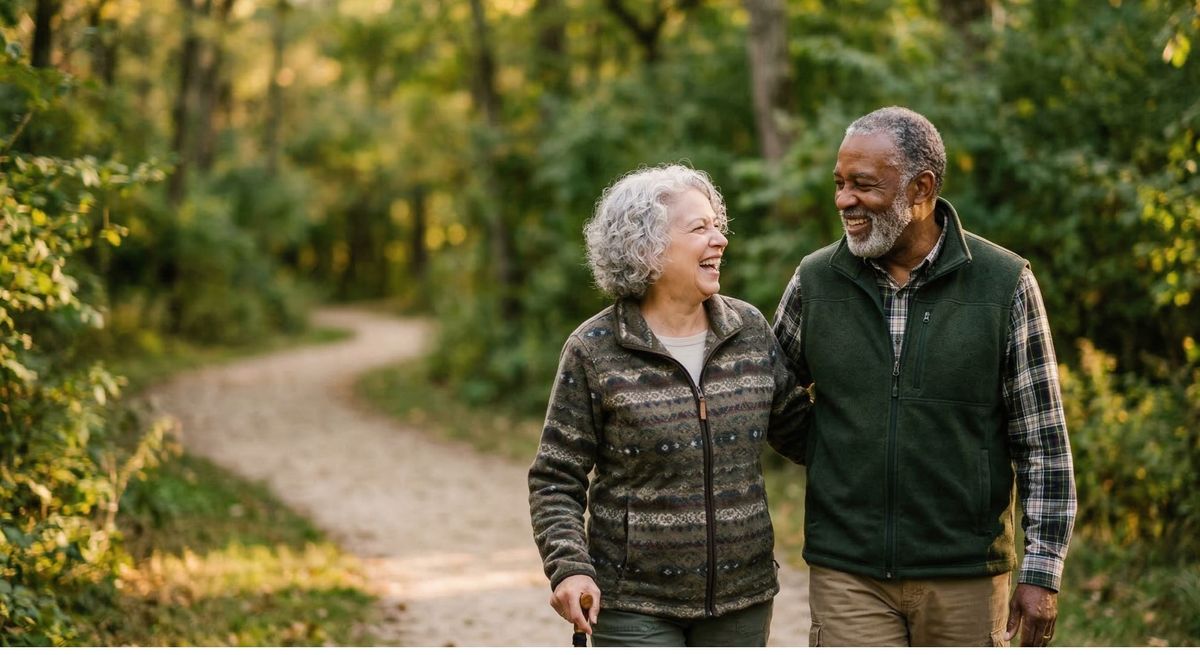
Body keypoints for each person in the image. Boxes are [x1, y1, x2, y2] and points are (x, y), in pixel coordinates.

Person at [772, 106, 1077, 647]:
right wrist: (832, 446)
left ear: (921, 188)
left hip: (966, 572)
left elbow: (1043, 441)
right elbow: (772, 395)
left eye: (863, 185)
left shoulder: (1005, 283)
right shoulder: (815, 280)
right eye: (840, 183)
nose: (844, 200)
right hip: (848, 570)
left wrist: (1042, 568)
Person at [528, 163, 810, 647]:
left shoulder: (748, 331)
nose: (719, 239)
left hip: (742, 598)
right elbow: (556, 478)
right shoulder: (594, 348)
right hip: (634, 603)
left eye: (718, 225)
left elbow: (807, 437)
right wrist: (569, 568)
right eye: (700, 228)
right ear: (647, 247)